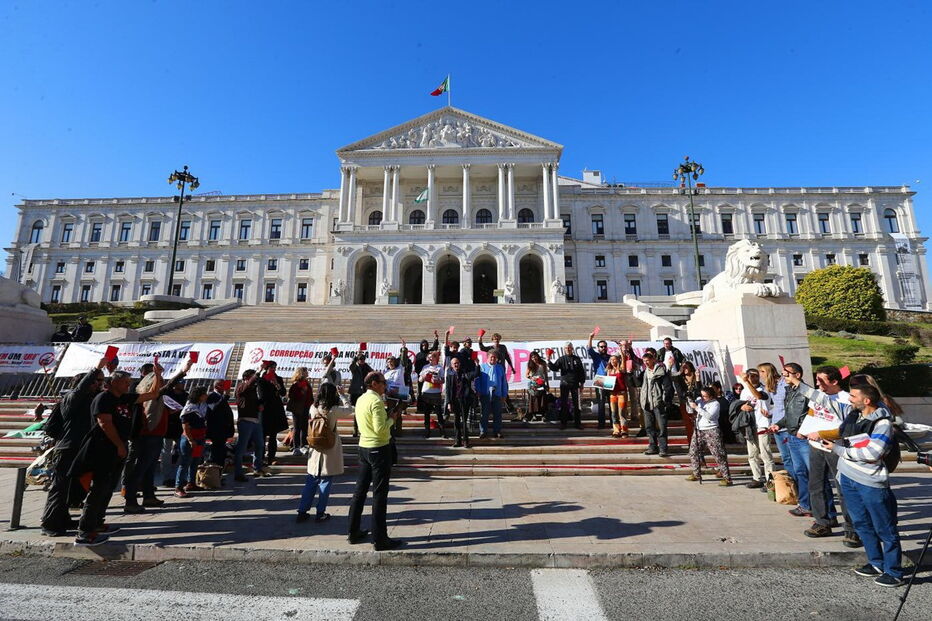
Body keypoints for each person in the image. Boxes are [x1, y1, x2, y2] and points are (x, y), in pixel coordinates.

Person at [784, 373, 904, 587]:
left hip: (871, 483)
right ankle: (875, 563)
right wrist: (798, 384)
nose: (849, 398)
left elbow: (873, 453)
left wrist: (837, 449)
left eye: (854, 395)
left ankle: (894, 571)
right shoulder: (852, 413)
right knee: (861, 523)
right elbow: (825, 401)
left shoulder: (882, 423)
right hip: (848, 478)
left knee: (885, 527)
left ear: (866, 400)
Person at [70, 369, 163, 546]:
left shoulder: (123, 398)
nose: (128, 385)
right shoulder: (104, 399)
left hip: (116, 452)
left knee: (107, 488)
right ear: (113, 382)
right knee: (98, 490)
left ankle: (97, 523)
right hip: (102, 449)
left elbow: (153, 394)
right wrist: (120, 445)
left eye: (129, 382)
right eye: (125, 382)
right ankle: (85, 532)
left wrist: (157, 376)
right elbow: (104, 422)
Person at [40, 358, 108, 537]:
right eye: (96, 381)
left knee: (69, 489)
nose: (98, 385)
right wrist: (96, 368)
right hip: (67, 448)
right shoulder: (72, 397)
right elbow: (80, 389)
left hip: (78, 448)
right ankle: (50, 523)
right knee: (59, 488)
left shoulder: (87, 399)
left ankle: (62, 518)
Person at [800, 366, 859, 546]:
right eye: (817, 379)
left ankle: (853, 529)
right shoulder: (818, 395)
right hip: (816, 447)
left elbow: (846, 429)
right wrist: (803, 431)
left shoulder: (846, 400)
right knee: (816, 485)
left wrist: (823, 434)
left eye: (822, 380)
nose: (818, 383)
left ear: (834, 381)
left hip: (836, 448)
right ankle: (823, 522)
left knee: (844, 490)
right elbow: (812, 414)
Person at [123, 360, 191, 513]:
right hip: (150, 435)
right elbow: (168, 386)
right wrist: (183, 371)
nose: (162, 383)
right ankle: (131, 500)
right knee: (141, 468)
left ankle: (148, 496)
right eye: (159, 381)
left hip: (156, 433)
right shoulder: (150, 394)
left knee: (149, 468)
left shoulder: (150, 395)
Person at [347, 371, 403, 551]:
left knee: (360, 491)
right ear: (373, 383)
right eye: (382, 382)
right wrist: (392, 419)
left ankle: (352, 531)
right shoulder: (376, 401)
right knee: (379, 494)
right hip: (378, 448)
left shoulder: (362, 399)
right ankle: (379, 538)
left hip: (364, 446)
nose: (385, 385)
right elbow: (380, 429)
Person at [297, 383, 343, 523]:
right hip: (329, 446)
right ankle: (320, 512)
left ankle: (302, 511)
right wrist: (342, 394)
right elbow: (349, 409)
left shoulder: (313, 407)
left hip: (315, 446)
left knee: (310, 481)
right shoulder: (333, 409)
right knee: (325, 481)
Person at [685, 386, 732, 485]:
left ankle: (727, 477)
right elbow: (690, 410)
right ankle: (696, 473)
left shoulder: (715, 404)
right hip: (699, 430)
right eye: (701, 396)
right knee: (693, 451)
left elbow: (710, 416)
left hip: (711, 430)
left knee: (718, 454)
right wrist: (690, 401)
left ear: (711, 396)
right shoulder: (700, 401)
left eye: (705, 396)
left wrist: (697, 408)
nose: (702, 398)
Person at [738, 368, 775, 489]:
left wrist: (747, 383)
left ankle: (770, 480)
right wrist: (743, 407)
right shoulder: (744, 391)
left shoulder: (764, 388)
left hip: (762, 423)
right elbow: (741, 405)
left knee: (765, 453)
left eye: (756, 376)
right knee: (752, 454)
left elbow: (759, 396)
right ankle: (756, 477)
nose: (754, 378)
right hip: (750, 424)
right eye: (751, 376)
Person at [633, 348, 670, 456]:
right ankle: (652, 446)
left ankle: (663, 448)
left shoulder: (661, 371)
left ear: (653, 360)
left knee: (662, 427)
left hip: (658, 402)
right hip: (646, 402)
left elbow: (667, 387)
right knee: (649, 426)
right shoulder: (645, 372)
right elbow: (637, 383)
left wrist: (665, 400)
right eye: (644, 362)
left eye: (647, 361)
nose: (646, 363)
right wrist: (631, 373)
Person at [759, 362, 793, 475]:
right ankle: (792, 482)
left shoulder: (784, 383)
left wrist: (747, 381)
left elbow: (788, 405)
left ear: (769, 372)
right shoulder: (771, 385)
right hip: (776, 426)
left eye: (762, 371)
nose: (760, 374)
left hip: (787, 425)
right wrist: (770, 413)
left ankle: (800, 482)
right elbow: (778, 406)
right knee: (785, 457)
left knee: (793, 457)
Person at [175, 386, 209, 498]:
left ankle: (191, 483)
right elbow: (185, 426)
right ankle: (178, 487)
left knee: (195, 461)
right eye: (204, 394)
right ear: (198, 396)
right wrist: (191, 440)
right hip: (190, 439)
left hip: (200, 438)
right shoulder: (189, 408)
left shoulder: (202, 407)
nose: (206, 395)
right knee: (185, 462)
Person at [233, 367, 265, 481]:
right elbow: (246, 387)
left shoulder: (252, 390)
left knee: (260, 445)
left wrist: (260, 404)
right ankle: (238, 473)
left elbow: (257, 400)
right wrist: (258, 372)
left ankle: (257, 468)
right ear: (246, 378)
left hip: (255, 421)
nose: (255, 381)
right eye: (253, 378)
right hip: (245, 421)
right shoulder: (241, 387)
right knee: (241, 448)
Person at [547, 342, 585, 430]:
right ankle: (563, 423)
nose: (568, 349)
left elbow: (581, 372)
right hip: (565, 384)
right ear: (564, 349)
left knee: (577, 404)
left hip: (575, 384)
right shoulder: (561, 359)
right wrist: (548, 360)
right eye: (566, 348)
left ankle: (577, 423)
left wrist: (582, 383)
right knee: (564, 404)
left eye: (569, 348)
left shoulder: (577, 359)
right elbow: (554, 368)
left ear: (572, 349)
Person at [257, 361, 288, 469]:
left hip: (275, 408)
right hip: (265, 410)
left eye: (275, 367)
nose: (274, 369)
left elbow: (283, 393)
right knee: (262, 435)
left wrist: (277, 385)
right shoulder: (262, 380)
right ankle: (260, 457)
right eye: (272, 367)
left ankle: (271, 457)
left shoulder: (278, 378)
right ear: (267, 368)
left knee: (273, 435)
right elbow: (262, 395)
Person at [444, 356, 476, 447]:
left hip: (464, 400)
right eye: (454, 364)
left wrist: (477, 365)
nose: (456, 365)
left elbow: (476, 374)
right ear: (451, 365)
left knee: (465, 421)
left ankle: (466, 440)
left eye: (457, 363)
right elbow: (448, 390)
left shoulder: (464, 373)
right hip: (455, 401)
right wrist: (449, 402)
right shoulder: (449, 375)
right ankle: (457, 440)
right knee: (456, 421)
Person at [476, 351, 507, 439]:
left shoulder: (500, 368)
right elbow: (478, 380)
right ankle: (483, 431)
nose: (493, 359)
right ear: (487, 358)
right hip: (485, 393)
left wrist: (504, 394)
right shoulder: (482, 367)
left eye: (494, 357)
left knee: (497, 413)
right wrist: (478, 391)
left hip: (497, 393)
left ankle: (497, 431)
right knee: (484, 414)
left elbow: (504, 381)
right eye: (491, 357)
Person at [205, 379, 235, 467]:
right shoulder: (212, 396)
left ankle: (219, 474)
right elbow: (213, 408)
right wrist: (225, 396)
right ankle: (214, 472)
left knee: (221, 452)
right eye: (221, 385)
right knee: (216, 452)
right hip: (216, 429)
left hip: (223, 429)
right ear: (216, 386)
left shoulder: (222, 397)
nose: (224, 388)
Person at [417, 350, 446, 438]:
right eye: (428, 358)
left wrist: (437, 381)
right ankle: (427, 431)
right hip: (426, 392)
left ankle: (442, 431)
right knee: (426, 413)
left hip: (436, 392)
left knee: (438, 413)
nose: (429, 360)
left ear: (435, 358)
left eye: (431, 358)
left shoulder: (440, 367)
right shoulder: (425, 367)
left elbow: (443, 380)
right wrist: (424, 377)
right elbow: (419, 380)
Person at [586, 332, 612, 430]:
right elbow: (589, 349)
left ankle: (613, 422)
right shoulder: (596, 356)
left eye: (605, 346)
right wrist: (590, 337)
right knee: (601, 403)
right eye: (601, 347)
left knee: (611, 403)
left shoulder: (610, 357)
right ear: (598, 348)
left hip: (610, 379)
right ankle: (601, 424)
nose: (603, 348)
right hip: (600, 379)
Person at [287, 367, 314, 455]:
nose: (307, 373)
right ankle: (296, 447)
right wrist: (302, 391)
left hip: (306, 407)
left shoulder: (306, 382)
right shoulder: (296, 384)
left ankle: (303, 445)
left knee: (304, 427)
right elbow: (291, 395)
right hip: (297, 408)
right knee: (297, 427)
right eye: (306, 371)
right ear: (301, 373)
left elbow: (310, 395)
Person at [349, 351, 374, 437]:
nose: (362, 360)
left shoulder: (367, 367)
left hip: (364, 391)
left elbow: (373, 373)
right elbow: (351, 366)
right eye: (360, 359)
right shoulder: (355, 367)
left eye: (363, 359)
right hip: (356, 392)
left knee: (365, 411)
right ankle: (355, 429)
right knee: (357, 411)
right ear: (357, 360)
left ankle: (362, 429)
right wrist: (355, 358)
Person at [604, 354, 629, 438]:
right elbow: (607, 382)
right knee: (614, 413)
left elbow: (624, 361)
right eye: (611, 360)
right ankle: (616, 430)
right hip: (613, 394)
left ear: (618, 360)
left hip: (621, 393)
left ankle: (624, 430)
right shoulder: (609, 370)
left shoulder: (621, 369)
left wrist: (622, 353)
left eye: (614, 359)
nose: (613, 361)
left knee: (622, 412)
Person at [414, 331, 440, 399]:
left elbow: (435, 347)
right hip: (422, 376)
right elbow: (416, 366)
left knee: (429, 391)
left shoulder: (429, 353)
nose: (424, 347)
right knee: (421, 391)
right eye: (423, 345)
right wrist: (421, 374)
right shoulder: (418, 355)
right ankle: (421, 408)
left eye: (425, 345)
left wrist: (436, 338)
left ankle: (429, 408)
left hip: (430, 376)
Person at [525, 350, 549, 422]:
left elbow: (545, 374)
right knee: (533, 399)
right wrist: (532, 378)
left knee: (542, 399)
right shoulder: (530, 364)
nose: (534, 358)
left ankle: (543, 415)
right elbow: (526, 375)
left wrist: (547, 384)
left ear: (537, 356)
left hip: (541, 383)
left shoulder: (543, 363)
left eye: (535, 356)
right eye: (532, 357)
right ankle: (534, 415)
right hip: (533, 384)